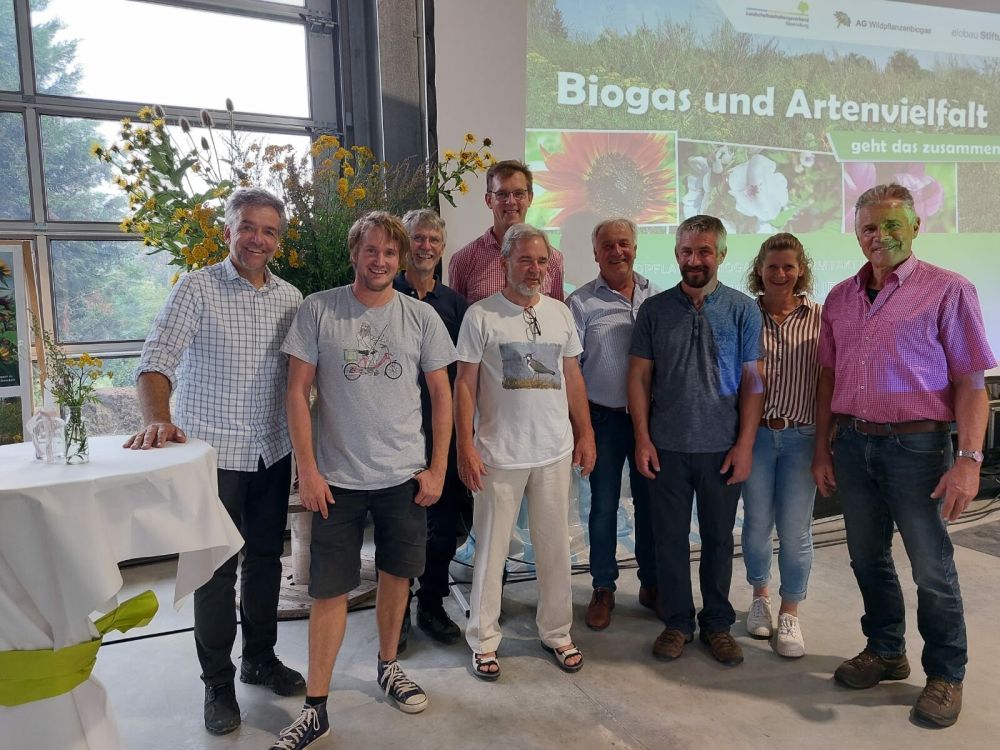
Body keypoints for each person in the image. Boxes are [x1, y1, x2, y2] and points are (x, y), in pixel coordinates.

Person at [812, 183, 995, 728]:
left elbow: (971, 383)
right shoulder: (839, 297)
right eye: (869, 226)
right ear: (856, 233)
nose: (880, 235)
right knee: (866, 558)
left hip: (918, 447)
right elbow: (828, 378)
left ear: (916, 227)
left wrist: (969, 460)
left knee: (931, 567)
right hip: (853, 443)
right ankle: (886, 650)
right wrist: (822, 448)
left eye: (892, 224)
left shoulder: (949, 290)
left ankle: (946, 674)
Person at [126, 187, 305, 735]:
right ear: (228, 231)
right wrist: (156, 418)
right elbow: (156, 360)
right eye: (247, 226)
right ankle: (218, 684)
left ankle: (260, 659)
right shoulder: (196, 288)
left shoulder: (291, 297)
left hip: (271, 451)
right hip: (213, 455)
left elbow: (300, 380)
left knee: (267, 560)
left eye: (268, 231)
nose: (257, 239)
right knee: (213, 570)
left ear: (278, 240)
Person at [274, 212, 456, 749]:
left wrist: (437, 468)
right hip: (337, 480)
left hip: (403, 476)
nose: (380, 260)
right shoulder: (319, 309)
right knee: (328, 590)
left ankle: (388, 664)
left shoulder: (420, 317)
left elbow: (442, 395)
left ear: (401, 260)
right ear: (354, 253)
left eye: (389, 253)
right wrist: (307, 470)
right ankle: (316, 707)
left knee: (397, 576)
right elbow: (296, 393)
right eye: (370, 250)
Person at [455, 223, 595, 681]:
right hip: (498, 455)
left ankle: (557, 632)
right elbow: (464, 385)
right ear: (505, 263)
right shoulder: (480, 315)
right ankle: (483, 639)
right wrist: (464, 446)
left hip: (554, 452)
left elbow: (572, 376)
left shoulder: (560, 313)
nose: (534, 270)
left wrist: (586, 433)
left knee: (555, 549)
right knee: (491, 552)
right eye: (525, 260)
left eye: (541, 261)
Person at [627, 214, 763, 666]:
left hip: (722, 448)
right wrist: (643, 438)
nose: (694, 260)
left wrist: (745, 445)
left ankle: (718, 624)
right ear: (676, 254)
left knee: (719, 540)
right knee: (668, 540)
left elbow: (754, 382)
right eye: (686, 251)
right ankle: (678, 622)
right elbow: (639, 377)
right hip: (666, 446)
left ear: (721, 254)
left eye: (704, 251)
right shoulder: (654, 310)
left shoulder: (743, 309)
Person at [567, 217, 660, 630]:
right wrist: (581, 429)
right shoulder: (580, 303)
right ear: (595, 253)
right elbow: (571, 369)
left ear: (635, 248)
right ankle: (603, 586)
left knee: (650, 506)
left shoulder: (658, 297)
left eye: (624, 243)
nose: (617, 251)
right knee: (603, 507)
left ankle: (651, 583)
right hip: (602, 420)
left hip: (651, 422)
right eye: (607, 245)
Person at [740, 233, 822, 658]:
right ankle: (760, 597)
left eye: (788, 266)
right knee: (756, 524)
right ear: (759, 270)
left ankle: (790, 611)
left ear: (800, 270)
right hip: (755, 437)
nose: (780, 273)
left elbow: (827, 382)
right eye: (772, 266)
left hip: (801, 436)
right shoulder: (745, 314)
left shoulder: (820, 317)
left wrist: (825, 443)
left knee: (795, 529)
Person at [394, 208, 469, 648]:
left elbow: (463, 376)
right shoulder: (386, 294)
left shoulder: (455, 305)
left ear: (442, 249)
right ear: (405, 245)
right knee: (400, 526)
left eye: (433, 240)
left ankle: (432, 604)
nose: (425, 247)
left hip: (443, 433)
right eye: (418, 238)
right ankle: (396, 610)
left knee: (442, 527)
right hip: (396, 433)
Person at [447, 159, 564, 303]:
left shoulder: (553, 259)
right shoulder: (463, 260)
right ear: (489, 200)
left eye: (519, 193)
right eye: (502, 194)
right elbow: (456, 314)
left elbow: (557, 312)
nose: (511, 201)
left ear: (530, 198)